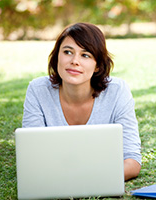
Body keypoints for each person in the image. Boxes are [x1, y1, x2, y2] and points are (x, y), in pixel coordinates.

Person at [22, 22, 141, 181]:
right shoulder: (37, 90)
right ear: (58, 56)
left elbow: (132, 160)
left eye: (85, 55)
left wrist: (87, 179)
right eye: (67, 52)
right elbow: (31, 158)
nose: (74, 61)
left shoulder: (117, 91)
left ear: (97, 65)